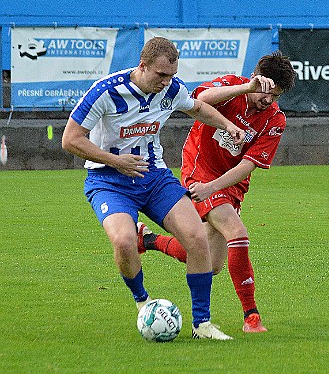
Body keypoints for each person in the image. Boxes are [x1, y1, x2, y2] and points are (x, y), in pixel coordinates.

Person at [62, 36, 246, 340]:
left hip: (154, 177)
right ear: (143, 66)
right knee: (123, 242)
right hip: (108, 179)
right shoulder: (106, 92)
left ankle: (202, 324)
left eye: (171, 75)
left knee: (197, 238)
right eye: (160, 75)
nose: (166, 81)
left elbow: (197, 107)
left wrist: (227, 125)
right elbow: (70, 139)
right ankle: (144, 303)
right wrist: (115, 160)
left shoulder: (172, 89)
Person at [136, 50, 296, 333]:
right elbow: (197, 101)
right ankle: (252, 317)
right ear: (255, 79)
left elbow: (249, 165)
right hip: (199, 172)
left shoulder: (275, 120)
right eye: (264, 92)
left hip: (227, 185)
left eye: (276, 95)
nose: (268, 100)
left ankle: (148, 241)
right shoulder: (232, 86)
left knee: (210, 264)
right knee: (238, 233)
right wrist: (247, 88)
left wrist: (215, 187)